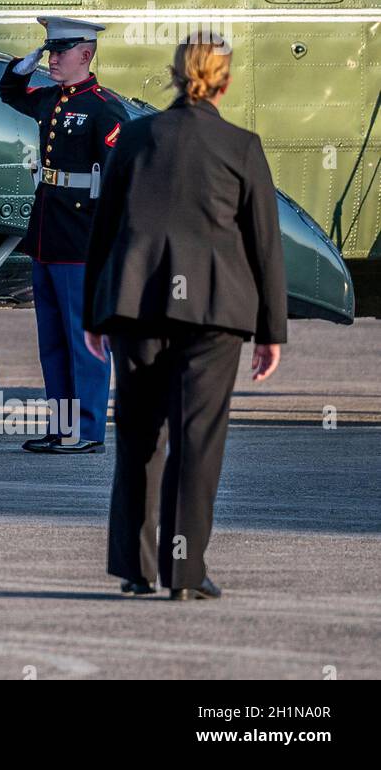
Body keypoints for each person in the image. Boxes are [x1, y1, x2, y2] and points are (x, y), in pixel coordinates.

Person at [83, 33, 286, 600]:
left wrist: (94, 313)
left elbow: (105, 229)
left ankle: (135, 568)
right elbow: (264, 243)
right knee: (198, 441)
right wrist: (271, 331)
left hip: (135, 305)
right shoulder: (241, 146)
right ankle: (184, 573)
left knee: (139, 437)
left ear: (175, 75)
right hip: (214, 312)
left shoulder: (137, 137)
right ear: (223, 80)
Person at [0, 16, 128, 454]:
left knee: (83, 339)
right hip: (48, 234)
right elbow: (11, 93)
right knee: (53, 342)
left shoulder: (104, 107)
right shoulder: (52, 99)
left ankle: (88, 430)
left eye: (60, 51)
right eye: (50, 50)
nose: (52, 58)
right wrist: (24, 63)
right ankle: (63, 427)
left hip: (83, 237)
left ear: (86, 54)